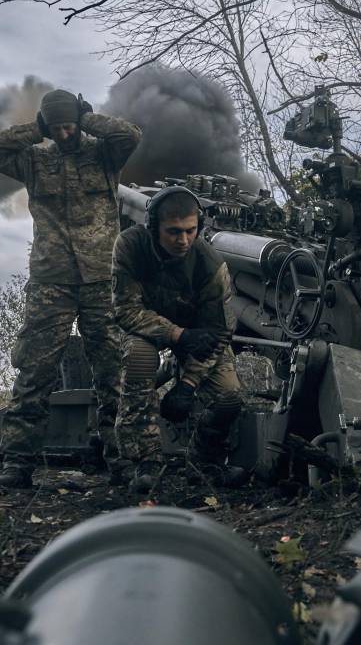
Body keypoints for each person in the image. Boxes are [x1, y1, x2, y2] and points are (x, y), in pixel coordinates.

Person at [0, 89, 141, 488]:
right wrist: (36, 130)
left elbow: (129, 135)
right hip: (52, 281)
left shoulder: (105, 155)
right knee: (35, 371)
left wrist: (87, 119)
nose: (64, 134)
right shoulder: (34, 160)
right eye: (58, 127)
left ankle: (122, 462)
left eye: (69, 126)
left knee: (114, 372)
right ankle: (18, 464)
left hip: (102, 280)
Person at [111, 186, 246, 493]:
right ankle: (144, 460)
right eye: (173, 231)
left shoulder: (210, 264)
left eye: (190, 231)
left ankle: (204, 462)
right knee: (139, 359)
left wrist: (188, 385)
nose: (183, 240)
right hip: (146, 329)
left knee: (228, 395)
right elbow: (126, 310)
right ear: (153, 226)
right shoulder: (130, 246)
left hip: (198, 335)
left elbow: (219, 331)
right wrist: (176, 335)